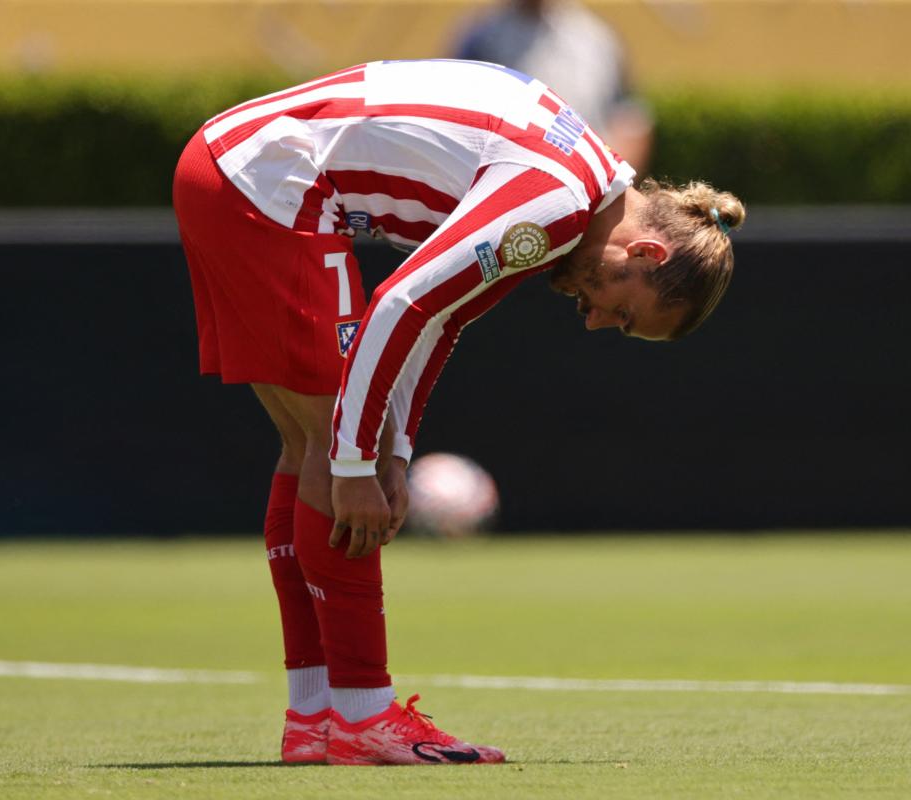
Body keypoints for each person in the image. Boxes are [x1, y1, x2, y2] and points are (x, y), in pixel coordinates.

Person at [171, 58, 743, 767]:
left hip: (231, 167)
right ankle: (361, 717)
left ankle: (314, 714)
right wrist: (356, 466)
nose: (595, 322)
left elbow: (441, 321)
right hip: (266, 183)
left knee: (306, 445)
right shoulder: (558, 205)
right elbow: (402, 303)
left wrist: (395, 454)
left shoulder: (579, 182)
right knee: (327, 450)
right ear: (645, 250)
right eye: (624, 313)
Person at [451, 0, 654, 174]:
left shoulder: (597, 39)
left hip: (589, 197)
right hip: (509, 196)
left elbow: (630, 120)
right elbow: (457, 127)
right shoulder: (481, 41)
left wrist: (608, 186)